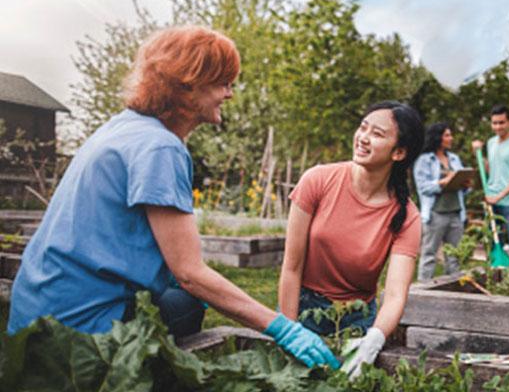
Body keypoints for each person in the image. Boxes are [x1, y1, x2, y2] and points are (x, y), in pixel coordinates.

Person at [5, 26, 339, 368]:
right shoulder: (160, 147)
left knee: (181, 298)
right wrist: (283, 328)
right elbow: (190, 273)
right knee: (190, 303)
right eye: (223, 83)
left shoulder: (122, 127)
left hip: (35, 314)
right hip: (78, 332)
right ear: (188, 83)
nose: (230, 94)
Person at [277, 101, 424, 377]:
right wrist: (289, 329)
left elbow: (394, 295)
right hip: (303, 308)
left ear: (399, 152)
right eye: (363, 127)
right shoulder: (318, 180)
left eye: (377, 134)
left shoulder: (407, 217)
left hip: (356, 321)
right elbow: (291, 266)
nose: (363, 137)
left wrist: (374, 339)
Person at [470, 104, 509, 267]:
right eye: (494, 123)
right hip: (491, 201)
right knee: (493, 243)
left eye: (501, 122)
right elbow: (491, 169)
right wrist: (478, 155)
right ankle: (497, 279)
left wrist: (499, 196)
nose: (498, 127)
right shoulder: (491, 142)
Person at [414, 122, 469, 280]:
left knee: (454, 256)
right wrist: (443, 182)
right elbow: (423, 187)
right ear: (438, 137)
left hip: (456, 213)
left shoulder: (454, 158)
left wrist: (465, 184)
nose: (451, 138)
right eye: (447, 135)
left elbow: (461, 187)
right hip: (435, 214)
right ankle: (423, 291)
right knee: (429, 254)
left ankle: (452, 290)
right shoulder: (425, 160)